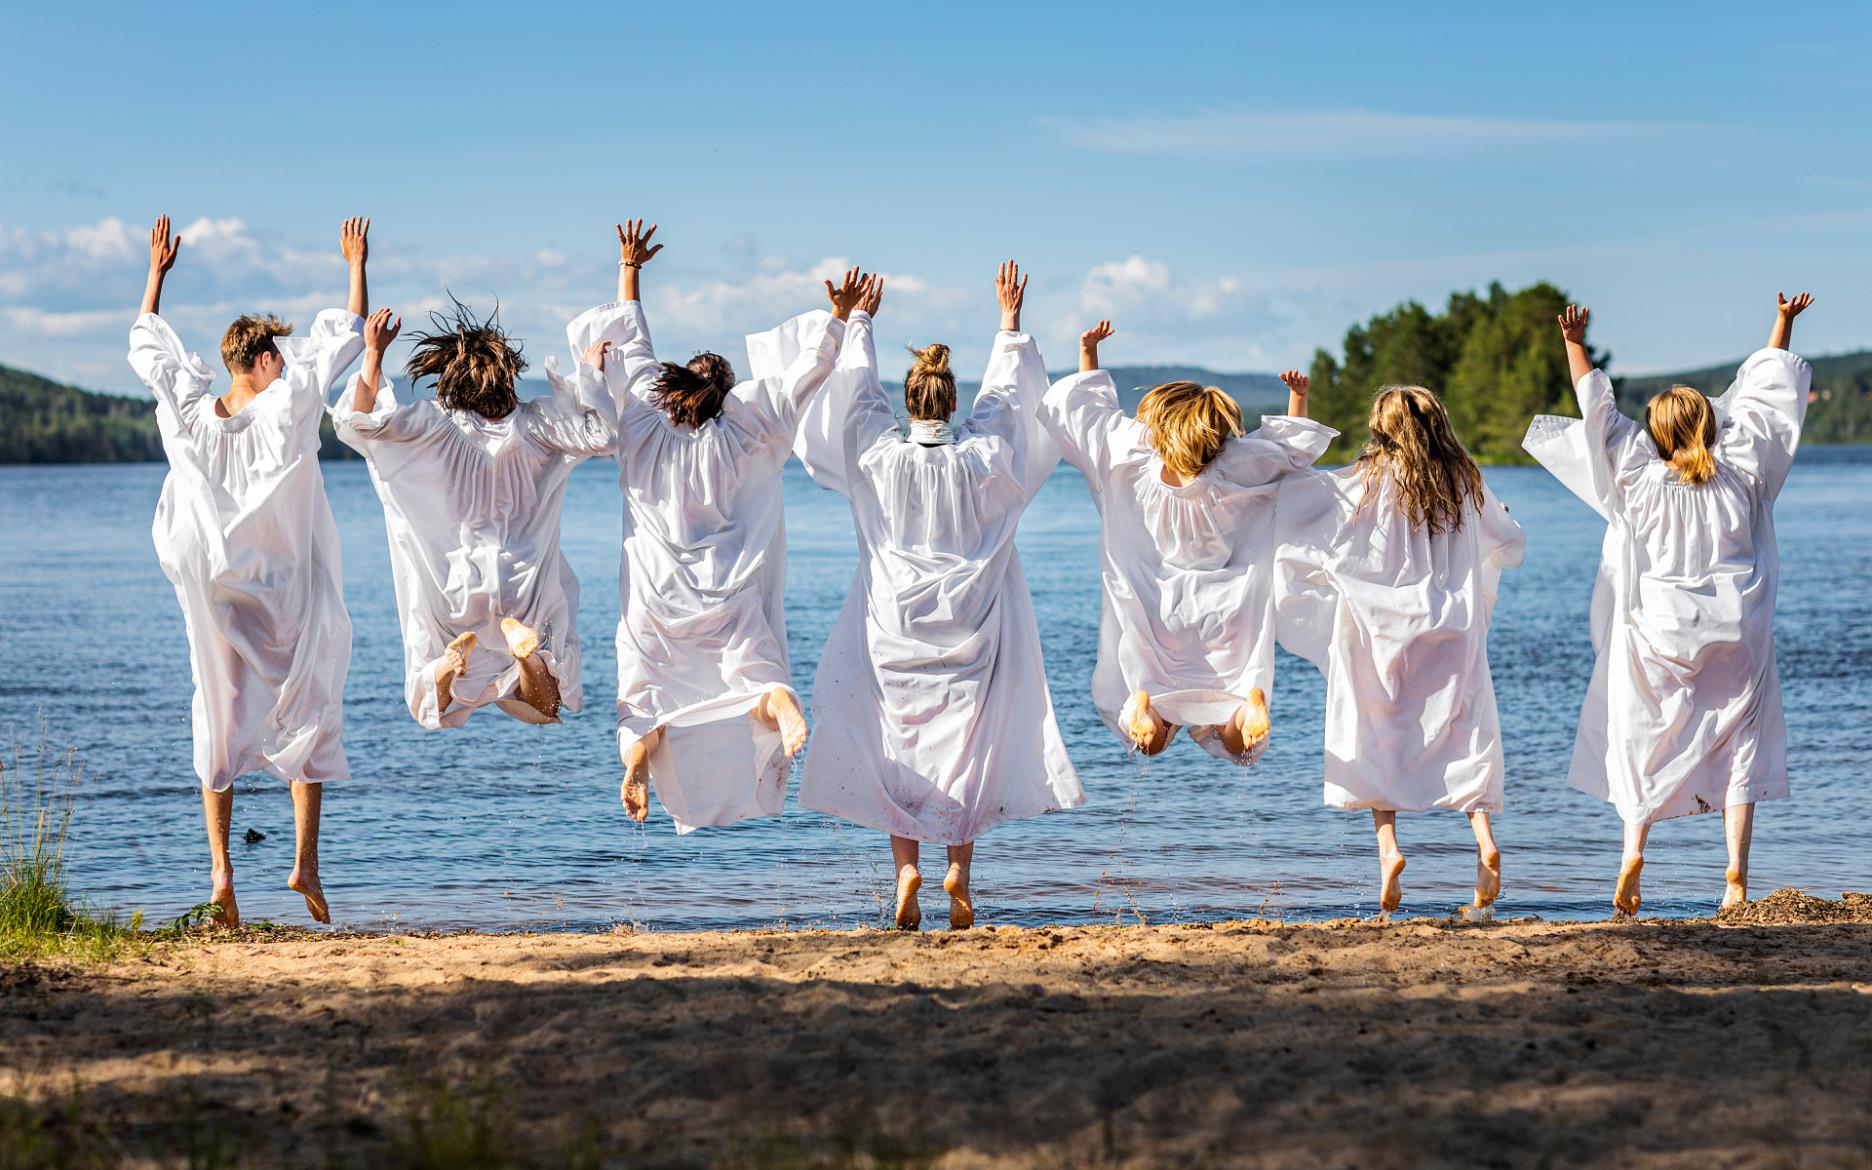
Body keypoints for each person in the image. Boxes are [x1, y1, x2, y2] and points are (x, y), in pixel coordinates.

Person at [791, 262, 1084, 930]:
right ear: (950, 404)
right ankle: (958, 870)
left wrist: (858, 319)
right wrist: (1008, 322)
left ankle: (907, 872)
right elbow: (1007, 403)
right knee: (965, 746)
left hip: (894, 629)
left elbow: (857, 395)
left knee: (899, 746)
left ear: (909, 403)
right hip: (969, 631)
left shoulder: (879, 458)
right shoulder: (981, 459)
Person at [568, 220, 864, 832]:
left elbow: (632, 341)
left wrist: (630, 269)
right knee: (755, 669)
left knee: (642, 693)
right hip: (728, 591)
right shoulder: (752, 429)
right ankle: (778, 702)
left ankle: (638, 761)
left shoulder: (640, 424)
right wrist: (839, 319)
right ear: (728, 394)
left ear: (673, 384)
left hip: (654, 597)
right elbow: (805, 377)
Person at [1523, 296, 1814, 915]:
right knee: (1743, 743)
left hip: (1659, 633)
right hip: (1737, 631)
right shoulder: (1745, 474)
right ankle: (1735, 875)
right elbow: (1766, 396)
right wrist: (1784, 323)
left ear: (1654, 434)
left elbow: (1596, 411)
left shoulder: (1636, 474)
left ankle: (1634, 849)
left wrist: (1575, 341)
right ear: (1713, 427)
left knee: (1640, 737)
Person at [128, 214, 372, 926]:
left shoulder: (188, 413)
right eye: (279, 356)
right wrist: (355, 263)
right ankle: (305, 862)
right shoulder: (287, 408)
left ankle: (221, 872)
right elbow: (347, 331)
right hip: (283, 592)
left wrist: (157, 275)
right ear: (263, 361)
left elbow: (148, 346)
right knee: (309, 701)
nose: (287, 366)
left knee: (218, 711)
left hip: (215, 593)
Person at [1275, 385, 1524, 916]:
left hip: (1380, 630)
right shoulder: (1464, 479)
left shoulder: (1364, 483)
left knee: (1376, 736)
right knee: (1466, 732)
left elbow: (1294, 499)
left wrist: (1297, 407)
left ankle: (1389, 851)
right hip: (1451, 630)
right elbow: (1504, 537)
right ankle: (1483, 841)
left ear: (1380, 428)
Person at [1040, 325, 1335, 764]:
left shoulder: (1133, 460)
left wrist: (1088, 351)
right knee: (1239, 736)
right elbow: (1291, 448)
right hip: (1229, 610)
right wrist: (1298, 397)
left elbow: (1089, 416)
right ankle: (1250, 703)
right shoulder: (1238, 464)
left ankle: (1145, 702)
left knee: (1150, 738)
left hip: (1155, 609)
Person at [332, 297, 614, 730]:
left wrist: (373, 353)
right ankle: (529, 656)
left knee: (432, 706)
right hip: (524, 588)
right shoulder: (538, 424)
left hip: (454, 591)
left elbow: (358, 423)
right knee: (547, 706)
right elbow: (602, 433)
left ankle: (446, 665)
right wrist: (591, 372)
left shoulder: (434, 425)